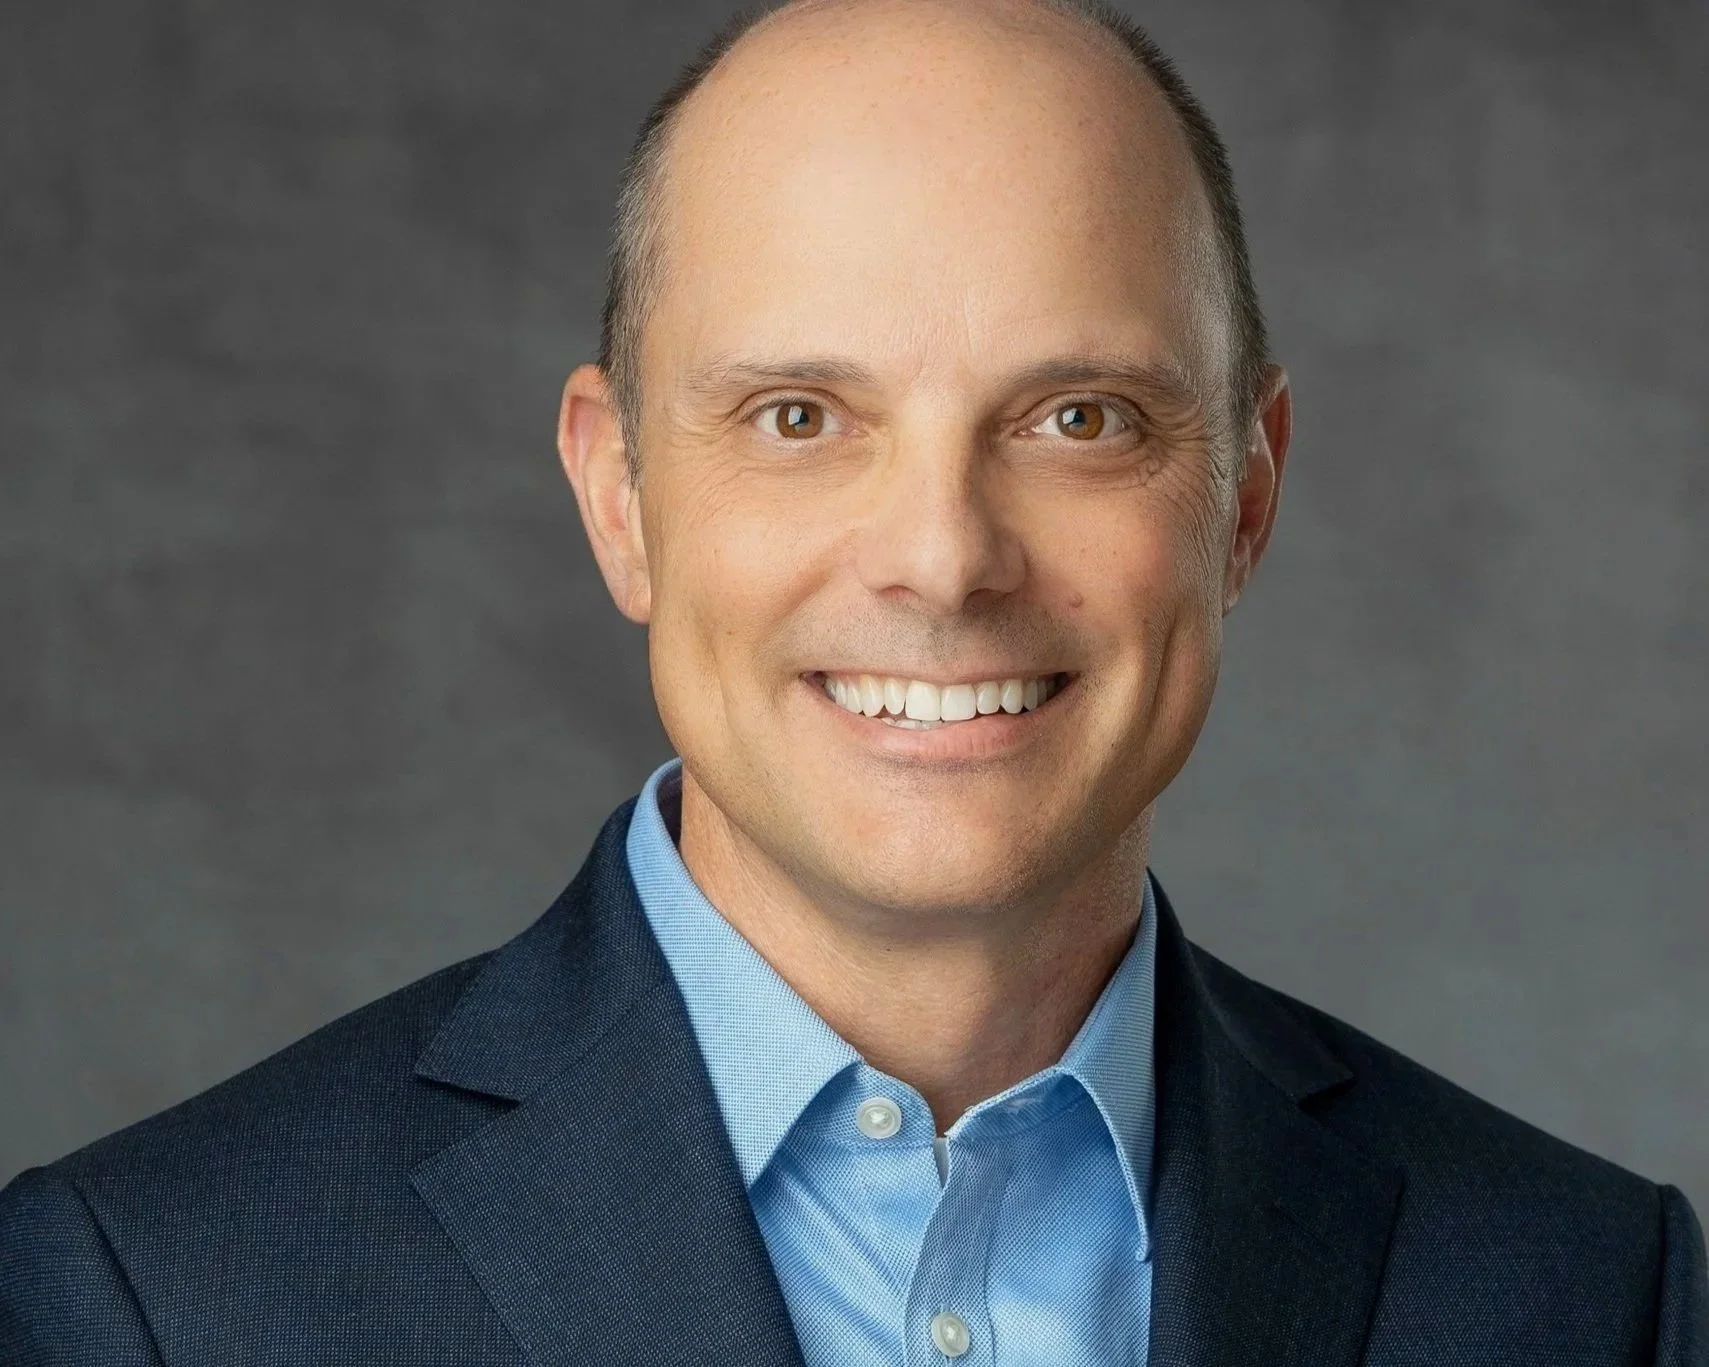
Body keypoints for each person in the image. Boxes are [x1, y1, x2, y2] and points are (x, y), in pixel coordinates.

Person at [3, 0, 1704, 1361]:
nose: (943, 557)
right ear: (620, 498)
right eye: (800, 417)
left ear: (1245, 499)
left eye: (1080, 417)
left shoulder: (1582, 1290)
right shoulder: (154, 1293)